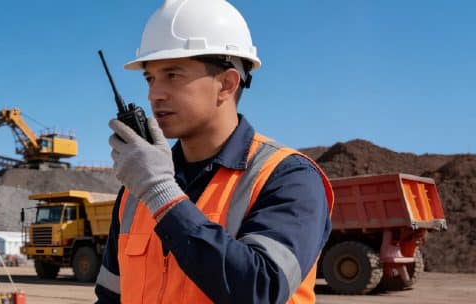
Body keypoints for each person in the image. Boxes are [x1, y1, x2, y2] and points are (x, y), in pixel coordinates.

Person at [95, 0, 335, 303]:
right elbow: (110, 296)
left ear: (226, 84)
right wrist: (153, 187)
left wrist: (161, 193)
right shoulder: (136, 191)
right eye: (150, 78)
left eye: (173, 75)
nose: (154, 94)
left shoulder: (289, 177)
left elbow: (261, 289)